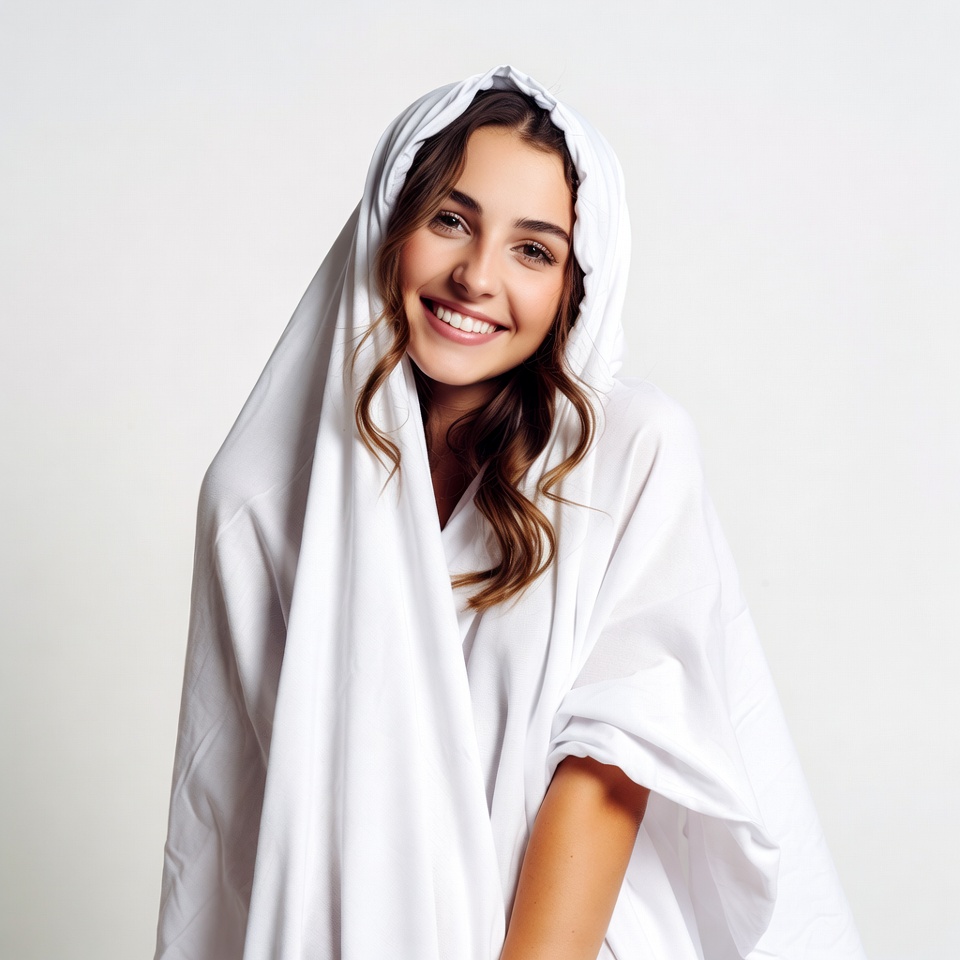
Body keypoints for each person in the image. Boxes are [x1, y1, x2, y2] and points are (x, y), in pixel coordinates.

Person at [153, 66, 867, 960]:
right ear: (388, 225)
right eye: (450, 220)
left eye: (533, 250)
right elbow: (244, 809)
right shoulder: (260, 500)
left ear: (576, 283)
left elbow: (611, 767)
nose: (476, 277)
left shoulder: (629, 454)